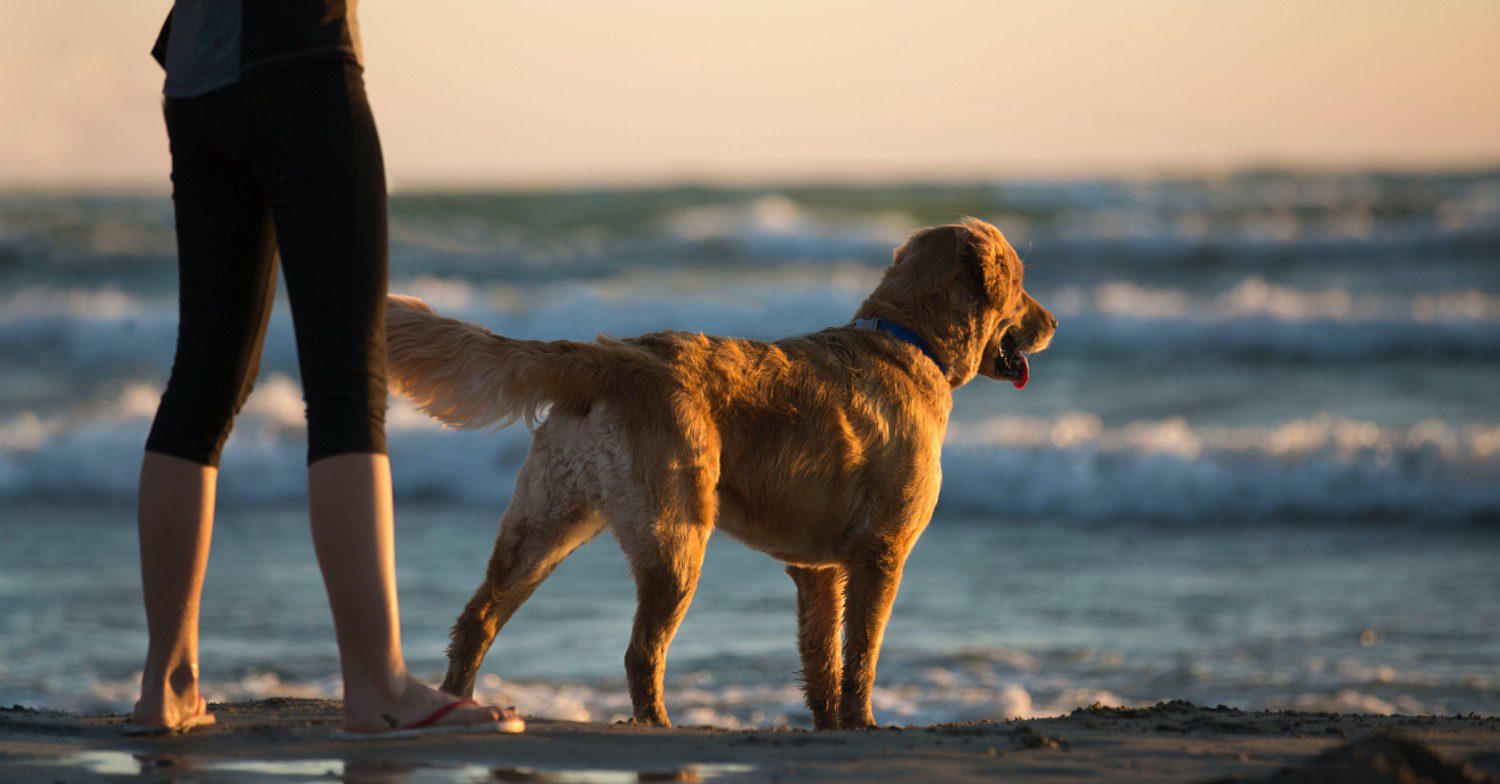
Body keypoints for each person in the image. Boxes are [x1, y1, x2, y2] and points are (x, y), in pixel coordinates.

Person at [127, 0, 522, 737]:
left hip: (197, 76)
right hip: (300, 58)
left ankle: (167, 684)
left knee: (201, 385)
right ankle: (377, 685)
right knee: (345, 385)